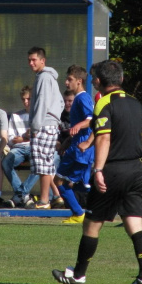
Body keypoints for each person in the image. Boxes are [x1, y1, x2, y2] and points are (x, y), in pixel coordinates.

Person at [52, 60, 142, 284]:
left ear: (98, 82)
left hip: (113, 170)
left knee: (92, 225)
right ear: (122, 79)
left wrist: (97, 170)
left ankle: (78, 276)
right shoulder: (136, 104)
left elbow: (104, 138)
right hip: (136, 170)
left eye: (93, 78)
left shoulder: (103, 103)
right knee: (134, 224)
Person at [54, 65, 95, 224]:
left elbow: (91, 120)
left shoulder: (83, 98)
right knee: (75, 183)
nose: (66, 82)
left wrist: (78, 126)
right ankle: (81, 212)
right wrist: (67, 142)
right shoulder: (79, 98)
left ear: (79, 81)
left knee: (61, 181)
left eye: (69, 79)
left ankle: (79, 213)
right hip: (76, 148)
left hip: (80, 151)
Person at [26, 46, 64, 209]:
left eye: (34, 60)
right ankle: (56, 197)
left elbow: (42, 104)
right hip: (49, 124)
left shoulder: (43, 78)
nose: (31, 63)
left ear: (43, 60)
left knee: (42, 164)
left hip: (43, 125)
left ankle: (44, 200)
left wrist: (35, 127)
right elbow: (61, 102)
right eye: (29, 60)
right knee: (46, 163)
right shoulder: (47, 77)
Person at [1, 86, 37, 208]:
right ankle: (25, 196)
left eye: (29, 99)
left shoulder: (39, 116)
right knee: (6, 162)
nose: (26, 102)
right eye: (23, 99)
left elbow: (42, 137)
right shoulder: (16, 116)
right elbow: (11, 139)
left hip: (35, 147)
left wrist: (23, 138)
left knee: (40, 164)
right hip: (19, 148)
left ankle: (19, 195)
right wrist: (24, 138)